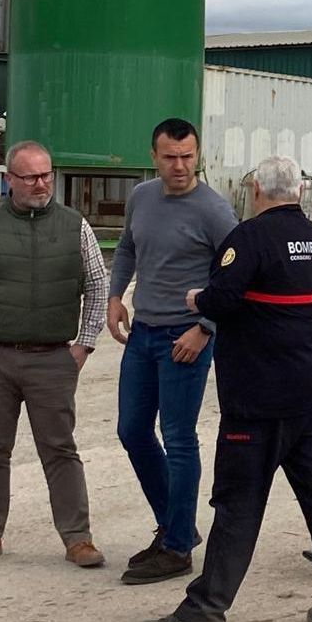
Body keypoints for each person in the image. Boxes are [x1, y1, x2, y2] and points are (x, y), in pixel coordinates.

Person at [138, 156, 312, 622]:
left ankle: (204, 611)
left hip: (260, 395)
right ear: (300, 192)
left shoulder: (247, 238)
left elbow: (223, 298)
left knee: (238, 502)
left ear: (258, 191)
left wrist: (197, 300)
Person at [0, 140, 109, 569]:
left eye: (46, 174)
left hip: (51, 359)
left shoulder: (75, 226)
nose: (41, 183)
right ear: (9, 179)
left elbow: (97, 285)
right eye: (31, 176)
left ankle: (78, 539)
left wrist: (84, 343)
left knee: (60, 449)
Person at [109, 118, 238, 585]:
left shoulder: (215, 211)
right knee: (131, 430)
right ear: (154, 157)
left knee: (179, 438)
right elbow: (127, 248)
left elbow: (237, 278)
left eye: (187, 157)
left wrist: (205, 328)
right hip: (143, 332)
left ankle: (178, 547)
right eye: (170, 157)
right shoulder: (142, 197)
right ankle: (175, 524)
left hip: (186, 338)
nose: (180, 166)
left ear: (197, 155)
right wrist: (115, 295)